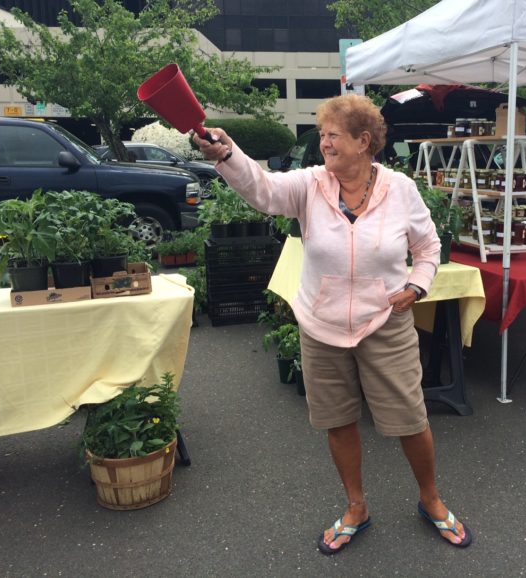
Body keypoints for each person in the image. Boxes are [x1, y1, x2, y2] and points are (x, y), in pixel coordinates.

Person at [193, 94, 471, 554]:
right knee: (338, 421)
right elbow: (263, 189)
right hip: (321, 326)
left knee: (410, 419)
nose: (324, 143)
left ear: (364, 142)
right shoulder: (309, 185)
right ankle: (356, 506)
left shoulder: (400, 189)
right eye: (322, 134)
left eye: (333, 135)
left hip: (385, 320)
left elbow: (428, 248)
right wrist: (227, 154)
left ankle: (431, 499)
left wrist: (417, 286)